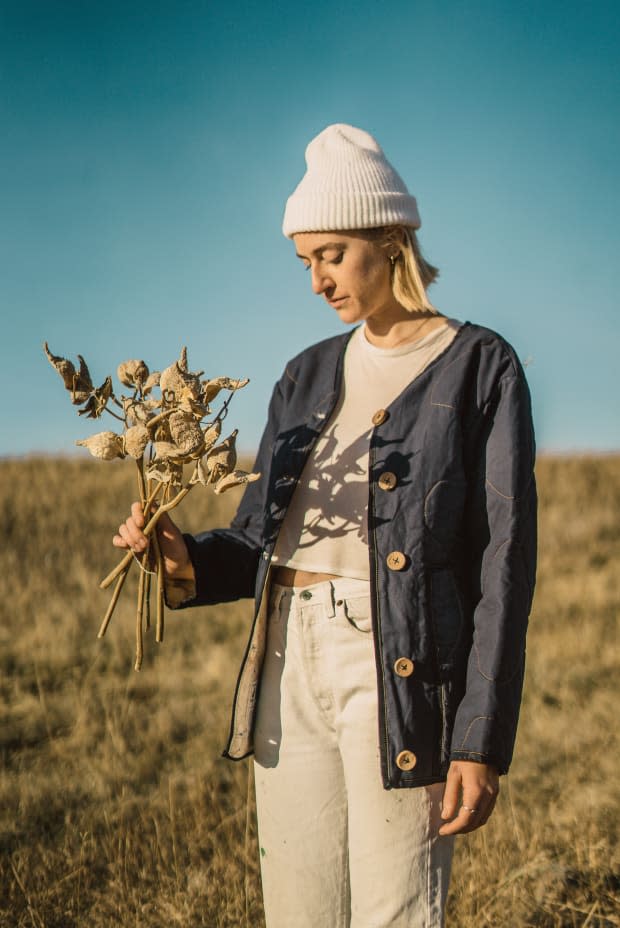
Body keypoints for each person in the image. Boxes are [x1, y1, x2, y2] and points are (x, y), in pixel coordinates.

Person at [114, 124, 537, 927]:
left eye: (332, 254)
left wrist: (479, 739)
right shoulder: (305, 374)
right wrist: (178, 555)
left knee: (397, 910)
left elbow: (505, 564)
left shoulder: (481, 366)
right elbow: (252, 543)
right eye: (305, 261)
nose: (315, 281)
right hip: (286, 658)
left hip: (400, 663)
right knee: (299, 911)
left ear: (390, 238)